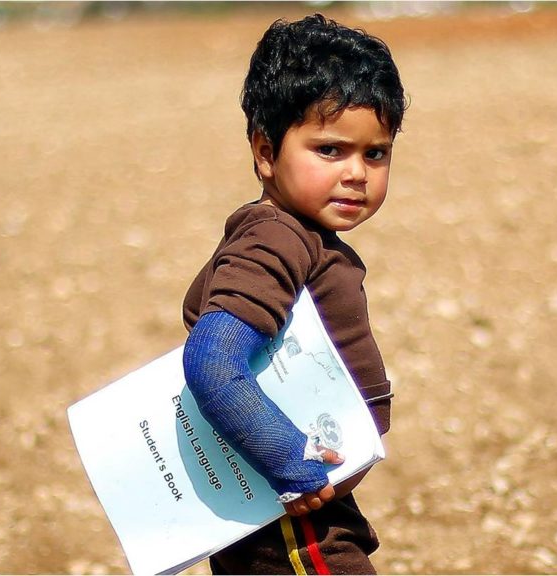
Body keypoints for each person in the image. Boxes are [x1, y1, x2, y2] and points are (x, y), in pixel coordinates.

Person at [181, 13, 406, 575]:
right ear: (265, 152)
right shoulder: (276, 238)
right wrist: (291, 463)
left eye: (375, 153)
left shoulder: (299, 236)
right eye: (330, 150)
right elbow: (212, 361)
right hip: (294, 523)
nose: (357, 173)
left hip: (292, 508)